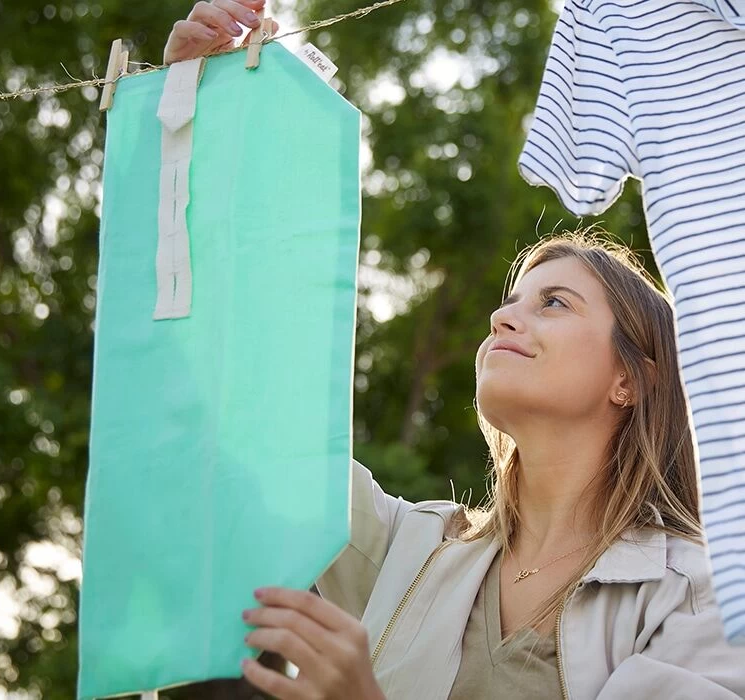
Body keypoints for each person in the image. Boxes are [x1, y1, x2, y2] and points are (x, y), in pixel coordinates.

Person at [162, 7, 745, 699]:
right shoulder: (404, 550)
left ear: (631, 377)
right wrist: (200, 117)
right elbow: (247, 381)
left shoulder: (703, 599)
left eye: (554, 303)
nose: (502, 317)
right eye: (511, 300)